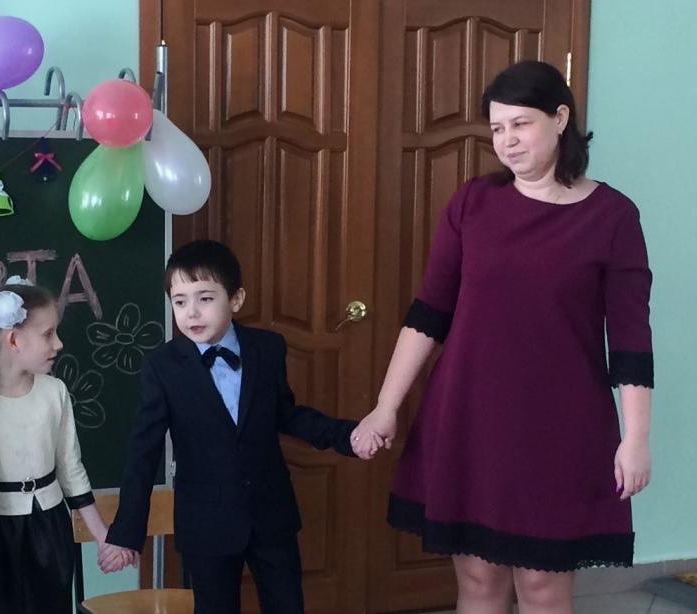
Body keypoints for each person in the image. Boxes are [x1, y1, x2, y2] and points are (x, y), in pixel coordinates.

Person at [352, 60, 654, 613]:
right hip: (469, 417)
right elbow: (428, 314)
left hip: (562, 426)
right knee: (477, 581)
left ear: (560, 118)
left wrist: (635, 438)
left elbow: (632, 339)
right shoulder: (473, 203)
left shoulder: (612, 216)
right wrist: (385, 407)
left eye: (520, 124)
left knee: (541, 585)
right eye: (496, 128)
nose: (507, 141)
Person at [102, 239, 360, 614]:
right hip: (206, 522)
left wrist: (347, 435)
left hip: (271, 514)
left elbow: (286, 414)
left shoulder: (268, 348)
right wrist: (127, 532)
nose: (192, 312)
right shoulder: (162, 366)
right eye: (179, 301)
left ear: (236, 299)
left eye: (205, 298)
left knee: (287, 605)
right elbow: (144, 452)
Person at [0, 277, 120, 613]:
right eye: (48, 334)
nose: (58, 343)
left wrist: (102, 536)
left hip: (48, 526)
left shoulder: (54, 392)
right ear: (13, 339)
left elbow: (71, 469)